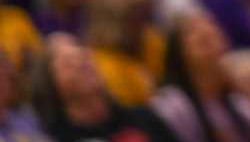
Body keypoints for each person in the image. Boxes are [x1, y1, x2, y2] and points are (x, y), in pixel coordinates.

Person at [148, 9, 250, 142]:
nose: (205, 31)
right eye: (191, 30)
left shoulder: (238, 104)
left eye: (210, 24)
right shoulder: (172, 104)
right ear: (177, 52)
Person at [31, 33, 180, 142]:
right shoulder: (52, 137)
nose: (81, 63)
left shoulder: (143, 118)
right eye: (68, 63)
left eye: (83, 56)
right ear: (51, 85)